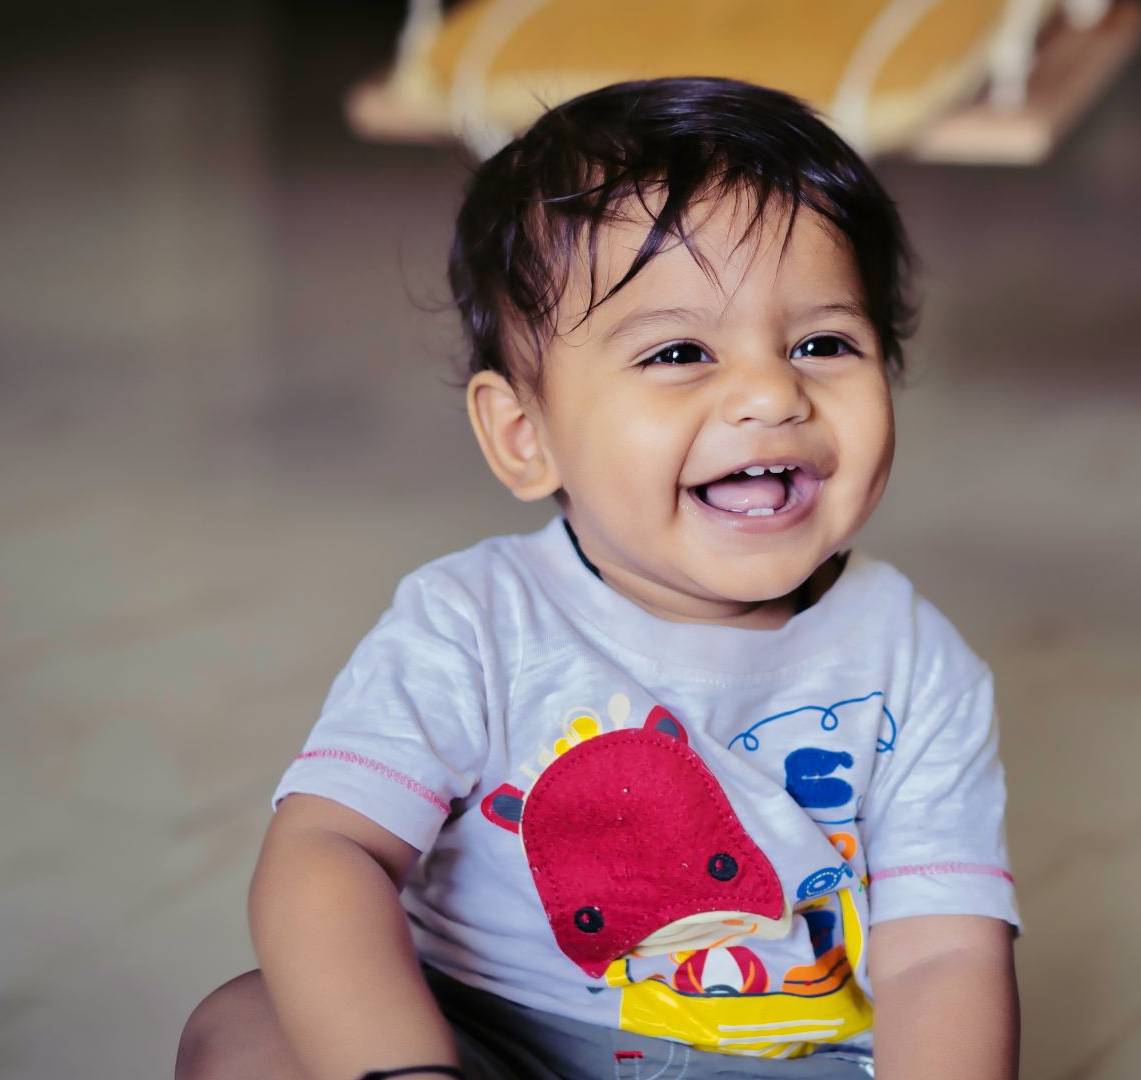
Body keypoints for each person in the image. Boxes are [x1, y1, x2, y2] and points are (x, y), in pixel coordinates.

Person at [177, 76, 1019, 1080]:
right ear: (526, 437)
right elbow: (328, 851)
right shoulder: (471, 625)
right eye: (679, 351)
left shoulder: (917, 662)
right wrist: (402, 1069)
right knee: (245, 1030)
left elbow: (944, 951)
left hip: (774, 1056)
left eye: (822, 342)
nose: (769, 391)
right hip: (482, 1033)